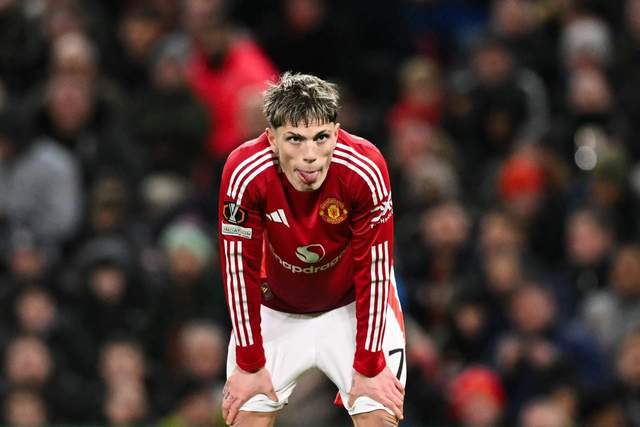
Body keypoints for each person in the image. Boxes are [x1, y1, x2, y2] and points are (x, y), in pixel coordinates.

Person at [217, 72, 406, 426]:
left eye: (321, 138)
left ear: (336, 132)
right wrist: (249, 363)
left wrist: (369, 366)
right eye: (295, 139)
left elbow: (376, 268)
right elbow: (238, 268)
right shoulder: (245, 172)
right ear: (272, 139)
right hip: (275, 308)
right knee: (245, 417)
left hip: (352, 306)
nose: (310, 156)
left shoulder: (364, 168)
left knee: (379, 416)